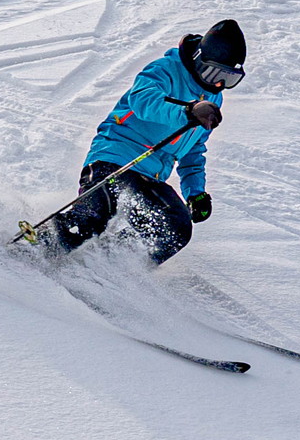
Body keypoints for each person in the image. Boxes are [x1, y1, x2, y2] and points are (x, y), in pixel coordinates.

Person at [40, 19, 247, 265]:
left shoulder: (214, 98)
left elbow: (194, 149)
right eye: (214, 73)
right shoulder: (165, 69)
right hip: (116, 157)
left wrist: (195, 192)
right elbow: (143, 102)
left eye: (230, 79)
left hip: (151, 176)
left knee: (175, 227)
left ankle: (110, 267)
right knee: (96, 212)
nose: (219, 83)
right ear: (199, 59)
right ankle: (38, 248)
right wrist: (189, 111)